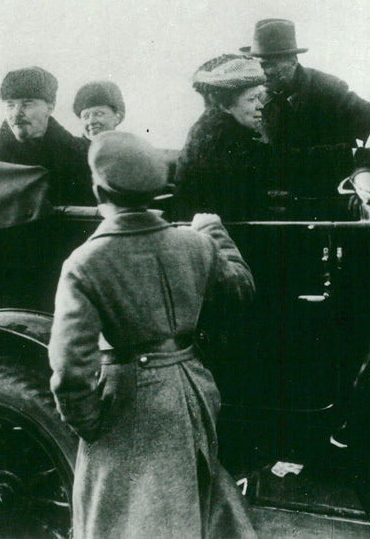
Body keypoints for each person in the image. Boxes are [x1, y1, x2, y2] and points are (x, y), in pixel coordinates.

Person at [48, 131, 257, 539]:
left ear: (97, 189)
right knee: (195, 506)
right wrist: (214, 232)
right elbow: (241, 289)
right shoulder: (194, 244)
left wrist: (90, 424)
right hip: (193, 387)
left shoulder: (86, 262)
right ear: (158, 190)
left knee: (126, 519)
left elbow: (72, 368)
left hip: (129, 399)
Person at [241, 18, 370, 200]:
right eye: (255, 64)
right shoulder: (249, 97)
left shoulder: (329, 90)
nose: (260, 72)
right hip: (275, 203)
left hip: (334, 199)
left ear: (292, 61)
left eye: (267, 64)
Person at [0, 66, 94, 205]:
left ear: (50, 107)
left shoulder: (80, 152)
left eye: (27, 104)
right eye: (10, 105)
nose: (16, 114)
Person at [175, 56, 272, 221]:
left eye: (259, 97)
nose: (260, 106)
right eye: (251, 99)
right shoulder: (225, 142)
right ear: (225, 105)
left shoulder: (208, 130)